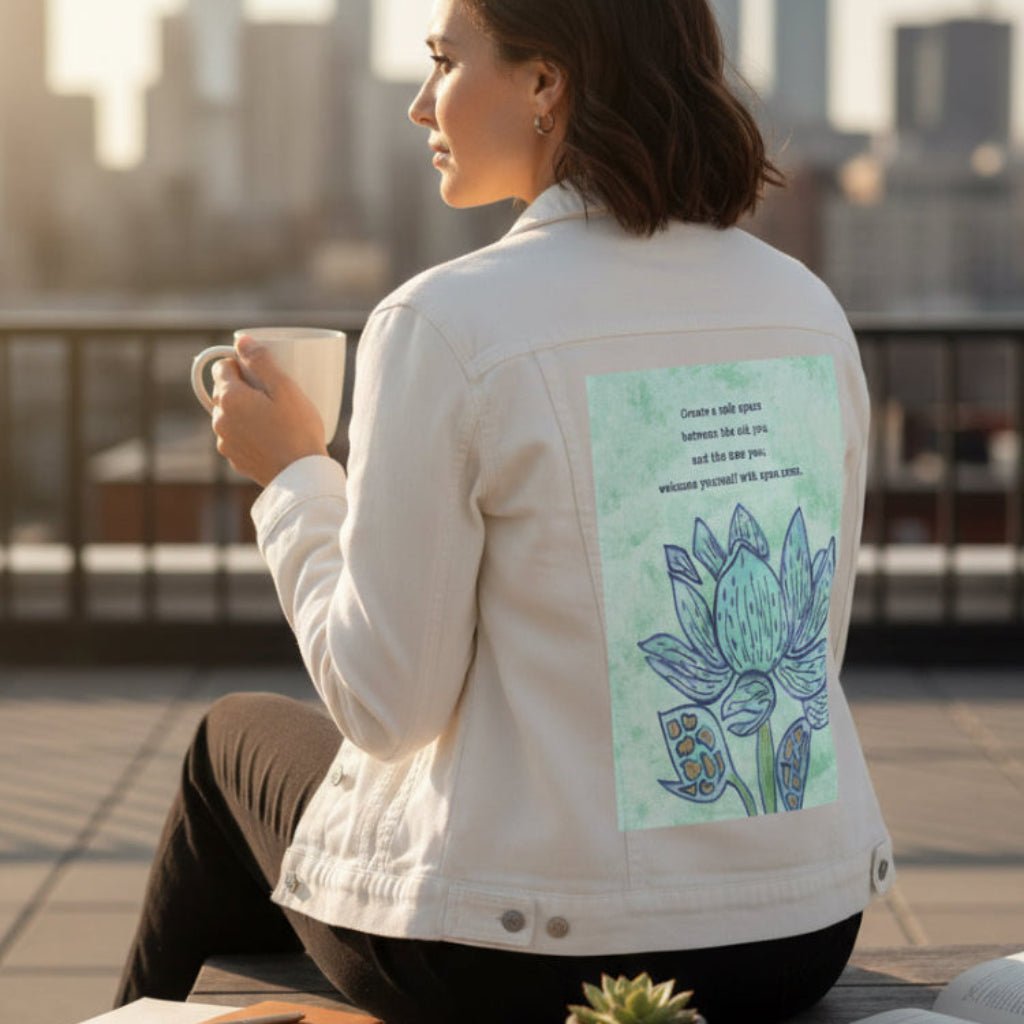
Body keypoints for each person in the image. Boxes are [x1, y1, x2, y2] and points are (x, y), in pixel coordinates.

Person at [116, 1, 893, 1021]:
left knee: (229, 747)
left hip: (532, 959)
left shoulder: (448, 321)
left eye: (443, 61)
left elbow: (387, 704)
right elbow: (807, 651)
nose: (417, 103)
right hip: (796, 930)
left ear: (545, 81)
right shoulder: (803, 309)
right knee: (312, 853)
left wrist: (296, 475)